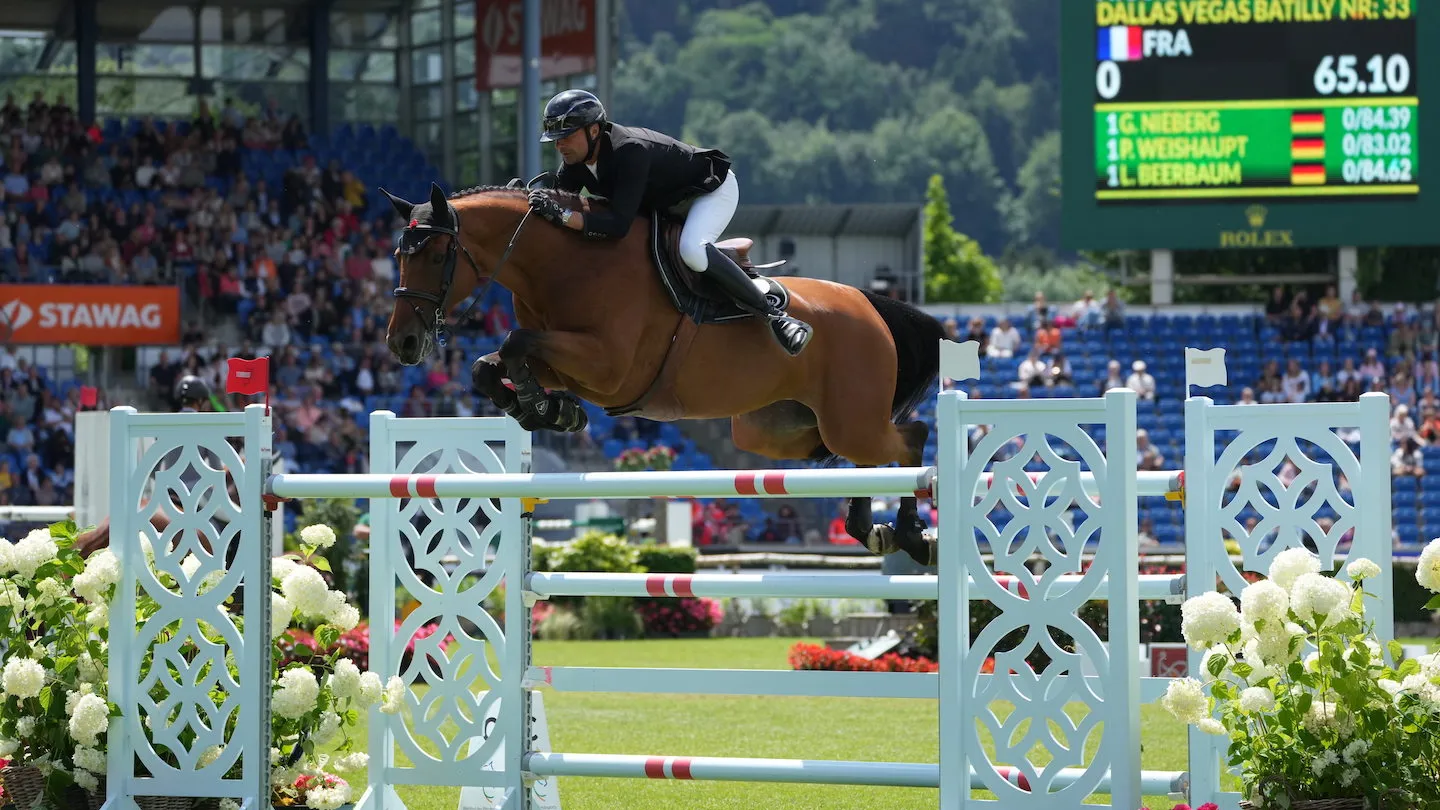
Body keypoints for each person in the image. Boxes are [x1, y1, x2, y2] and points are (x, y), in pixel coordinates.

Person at [527, 89, 813, 356]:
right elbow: (561, 201)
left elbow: (617, 225)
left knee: (692, 250)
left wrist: (564, 217)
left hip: (709, 192)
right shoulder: (576, 161)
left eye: (566, 136)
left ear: (593, 130)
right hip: (666, 205)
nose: (559, 144)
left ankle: (776, 317)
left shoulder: (629, 150)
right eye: (556, 138)